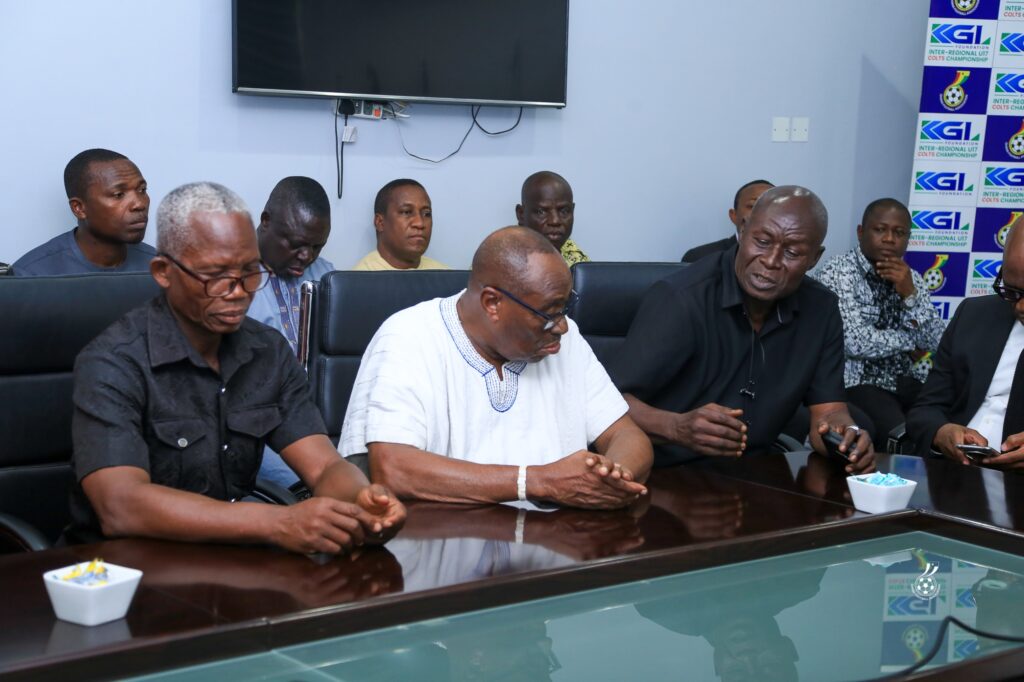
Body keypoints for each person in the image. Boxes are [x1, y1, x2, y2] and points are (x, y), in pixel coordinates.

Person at [67, 181, 405, 553]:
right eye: (216, 276)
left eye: (250, 272)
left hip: (233, 557)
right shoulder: (113, 362)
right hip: (125, 568)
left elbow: (324, 467)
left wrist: (361, 500)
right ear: (164, 271)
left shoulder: (268, 351)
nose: (240, 291)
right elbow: (121, 507)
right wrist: (277, 523)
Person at [340, 226, 653, 508]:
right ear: (492, 303)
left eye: (565, 308)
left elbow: (626, 435)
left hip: (559, 539)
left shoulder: (566, 340)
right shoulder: (409, 337)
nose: (562, 326)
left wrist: (611, 479)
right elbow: (394, 468)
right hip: (445, 545)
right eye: (548, 314)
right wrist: (539, 482)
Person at [607, 185, 875, 472]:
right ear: (743, 230)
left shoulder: (820, 309)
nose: (771, 261)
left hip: (755, 475)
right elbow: (606, 404)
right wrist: (676, 427)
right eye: (762, 242)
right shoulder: (681, 298)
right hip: (665, 475)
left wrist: (846, 436)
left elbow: (829, 411)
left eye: (792, 252)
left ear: (814, 258)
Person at [813, 198, 943, 451]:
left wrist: (910, 296)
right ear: (861, 232)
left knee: (940, 426)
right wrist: (909, 342)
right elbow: (855, 342)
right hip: (856, 382)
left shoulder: (912, 278)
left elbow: (936, 341)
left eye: (899, 233)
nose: (889, 239)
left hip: (906, 380)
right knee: (902, 436)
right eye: (880, 230)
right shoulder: (838, 272)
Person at [907, 217, 1024, 469]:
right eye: (1013, 291)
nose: (1021, 306)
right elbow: (925, 410)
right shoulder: (973, 315)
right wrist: (941, 432)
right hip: (953, 473)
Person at [247, 176, 336, 488]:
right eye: (296, 244)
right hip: (261, 425)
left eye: (316, 246)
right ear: (266, 221)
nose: (306, 256)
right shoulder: (230, 280)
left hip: (321, 417)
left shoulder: (328, 277)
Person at [14, 148, 155, 276]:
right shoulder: (31, 275)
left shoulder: (160, 267)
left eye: (142, 190)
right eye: (119, 194)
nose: (139, 204)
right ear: (79, 208)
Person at [352, 179, 449, 271]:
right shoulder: (358, 280)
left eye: (427, 214)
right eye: (406, 212)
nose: (420, 223)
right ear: (380, 222)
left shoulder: (447, 277)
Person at [681, 179, 773, 263]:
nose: (763, 213)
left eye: (773, 207)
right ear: (734, 216)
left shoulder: (782, 258)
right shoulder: (699, 258)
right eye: (753, 206)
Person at [516, 171, 589, 266]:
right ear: (521, 214)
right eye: (541, 212)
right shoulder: (504, 260)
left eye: (564, 211)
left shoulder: (579, 264)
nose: (555, 221)